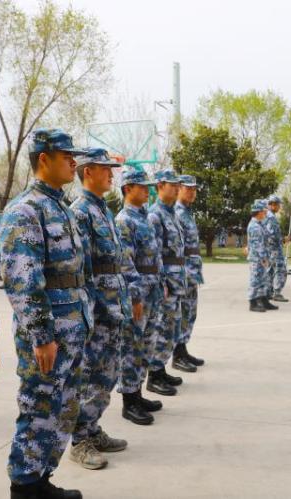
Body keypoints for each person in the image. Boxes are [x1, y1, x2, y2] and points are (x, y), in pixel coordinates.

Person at [1, 128, 89, 498]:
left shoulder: (60, 207)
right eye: (66, 155)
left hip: (72, 329)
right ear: (43, 159)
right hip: (49, 335)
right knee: (39, 407)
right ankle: (24, 484)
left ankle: (41, 478)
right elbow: (23, 281)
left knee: (62, 408)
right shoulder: (26, 210)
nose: (74, 162)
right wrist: (42, 335)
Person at [68, 148, 130, 469]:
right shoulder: (80, 213)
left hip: (113, 309)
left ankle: (92, 428)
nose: (111, 174)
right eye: (105, 169)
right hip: (98, 313)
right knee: (92, 378)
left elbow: (114, 263)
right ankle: (80, 439)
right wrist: (91, 316)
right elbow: (83, 271)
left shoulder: (103, 209)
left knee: (107, 377)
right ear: (88, 171)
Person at [115, 168, 168, 412]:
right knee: (132, 347)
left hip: (153, 292)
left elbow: (155, 257)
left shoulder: (144, 217)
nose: (147, 190)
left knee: (146, 345)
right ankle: (129, 400)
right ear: (128, 189)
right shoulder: (124, 221)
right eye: (142, 186)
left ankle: (138, 392)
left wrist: (162, 283)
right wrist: (134, 296)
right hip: (139, 296)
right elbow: (125, 263)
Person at [146, 170, 187, 394]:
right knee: (161, 328)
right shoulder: (155, 216)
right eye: (173, 185)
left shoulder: (172, 214)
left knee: (171, 328)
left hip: (176, 281)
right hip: (166, 283)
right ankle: (153, 375)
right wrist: (161, 282)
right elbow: (155, 254)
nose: (177, 188)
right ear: (160, 185)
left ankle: (160, 368)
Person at [174, 174, 205, 371]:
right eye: (188, 188)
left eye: (194, 189)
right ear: (178, 189)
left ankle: (183, 349)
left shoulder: (187, 212)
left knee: (189, 313)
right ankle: (177, 355)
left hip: (191, 271)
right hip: (183, 272)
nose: (192, 192)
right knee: (181, 313)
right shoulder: (177, 213)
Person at [246, 199, 272, 312]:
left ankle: (263, 300)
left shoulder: (259, 224)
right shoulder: (255, 226)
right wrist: (264, 258)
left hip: (260, 258)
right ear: (259, 212)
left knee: (263, 280)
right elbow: (258, 245)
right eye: (264, 211)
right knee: (255, 280)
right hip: (257, 259)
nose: (265, 213)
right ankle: (252, 302)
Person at [265, 195, 288, 302]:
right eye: (278, 205)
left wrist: (282, 238)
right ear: (273, 205)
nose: (279, 207)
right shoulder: (271, 217)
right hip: (274, 249)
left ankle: (268, 292)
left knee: (270, 270)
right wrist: (282, 239)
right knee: (281, 270)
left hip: (269, 249)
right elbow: (272, 235)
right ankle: (277, 292)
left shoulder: (266, 216)